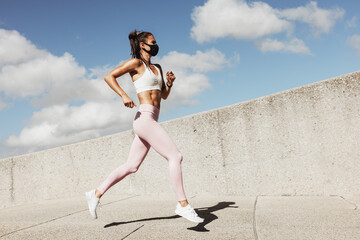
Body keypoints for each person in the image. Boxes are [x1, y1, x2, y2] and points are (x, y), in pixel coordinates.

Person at [85, 30, 203, 223]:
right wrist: (123, 95)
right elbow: (109, 77)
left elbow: (162, 96)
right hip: (144, 118)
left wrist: (169, 83)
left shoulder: (157, 67)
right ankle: (183, 204)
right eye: (152, 42)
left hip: (152, 119)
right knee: (175, 156)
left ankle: (96, 194)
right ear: (142, 45)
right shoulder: (136, 64)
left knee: (131, 166)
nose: (155, 45)